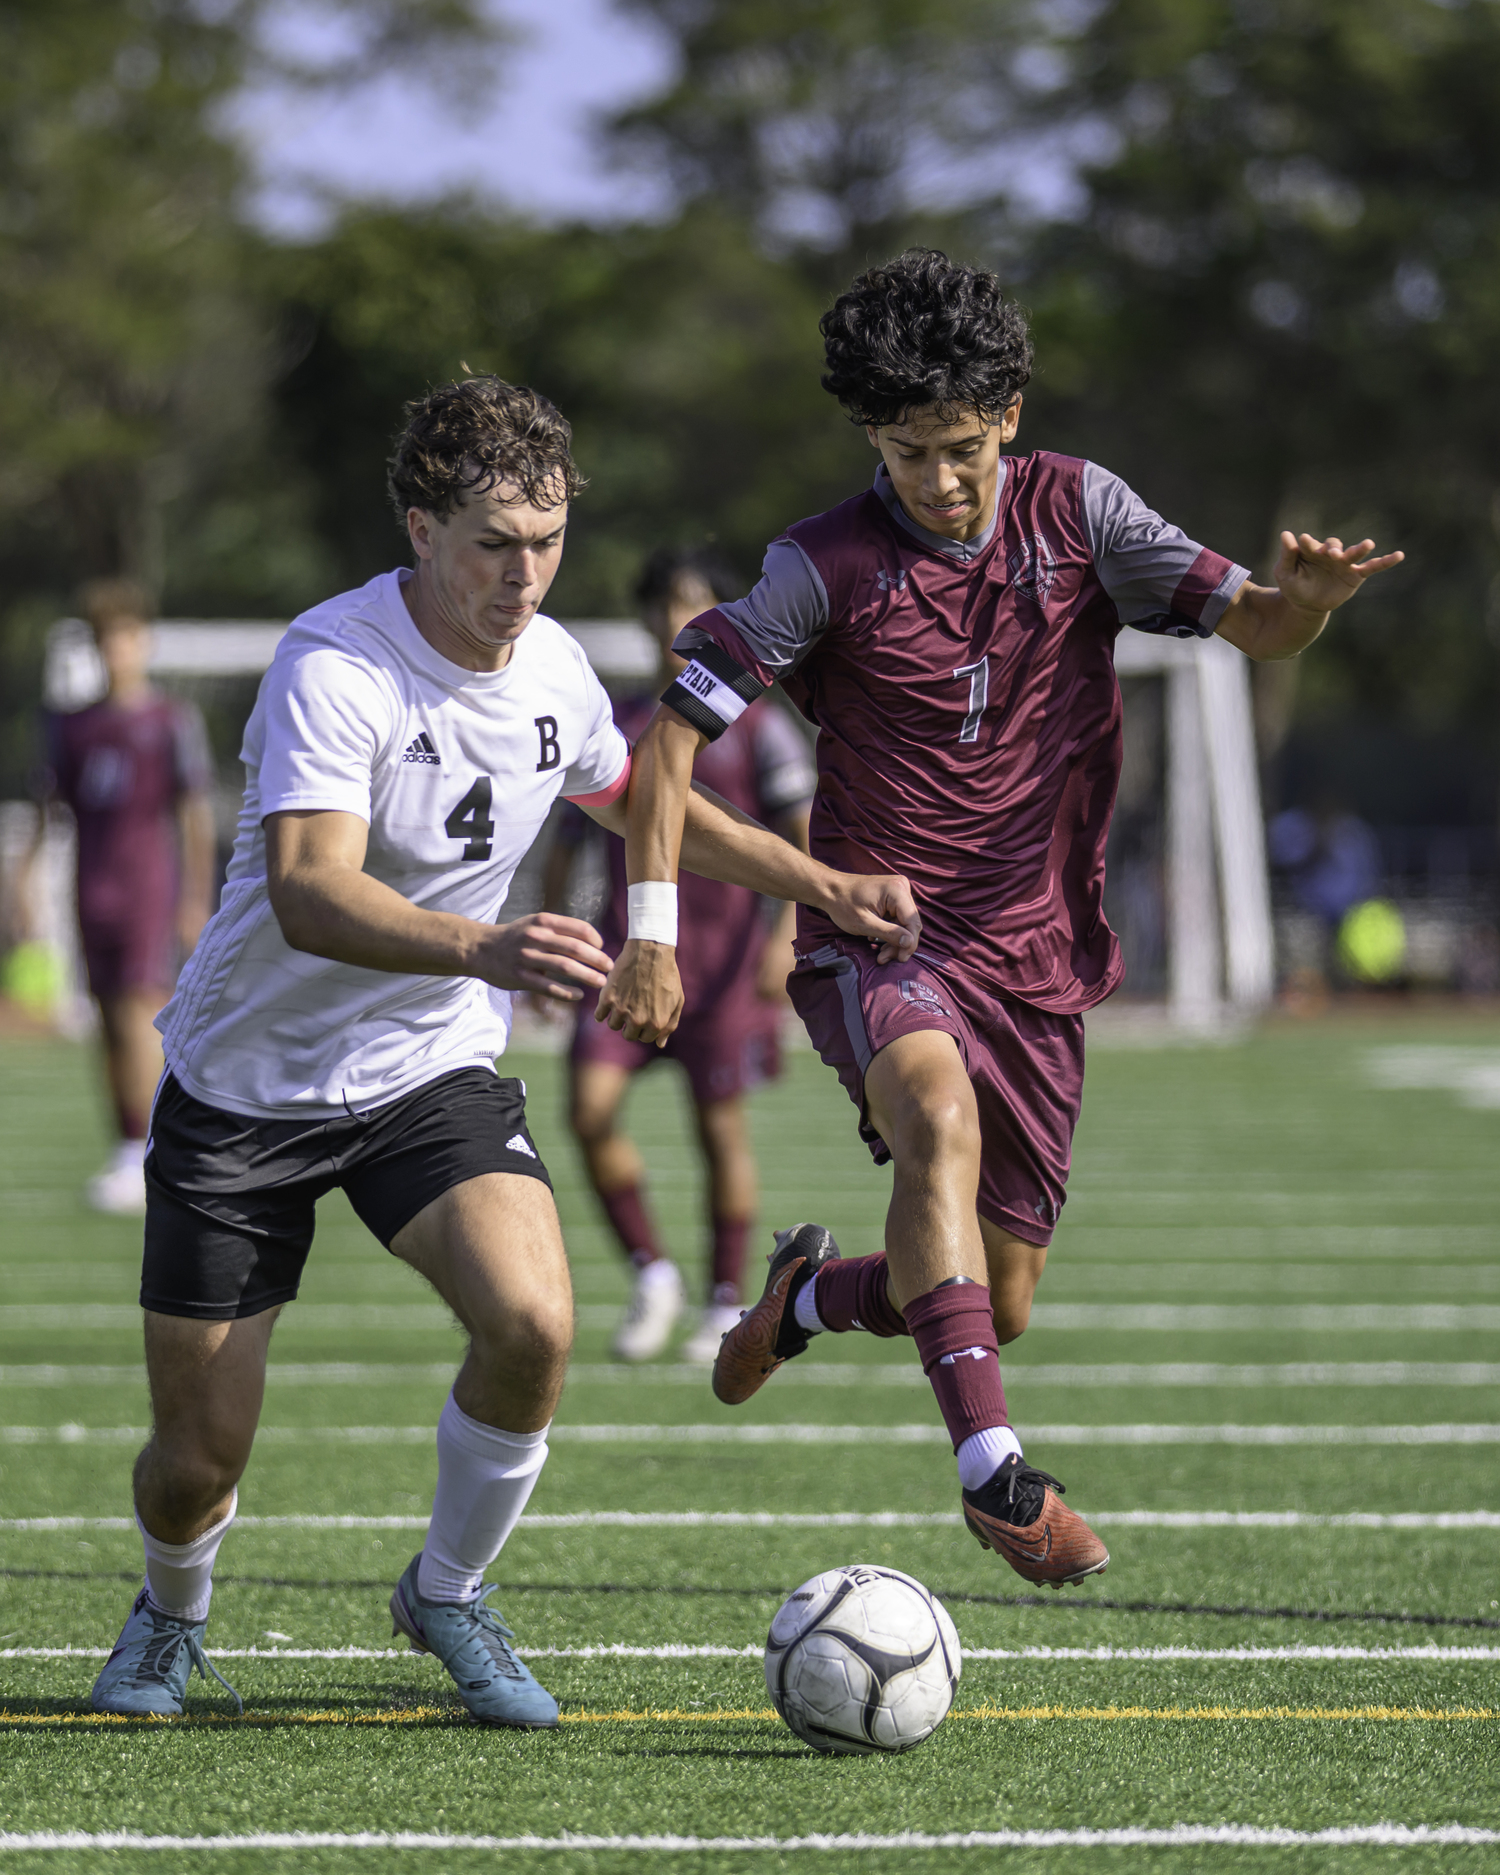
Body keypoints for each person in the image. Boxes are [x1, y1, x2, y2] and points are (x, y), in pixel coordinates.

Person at [87, 375, 919, 1724]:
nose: (522, 574)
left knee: (534, 1321)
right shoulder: (334, 664)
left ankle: (449, 1589)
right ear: (420, 528)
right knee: (199, 1453)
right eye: (491, 541)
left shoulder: (553, 669)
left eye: (546, 541)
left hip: (425, 1070)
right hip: (245, 1091)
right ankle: (172, 1615)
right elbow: (310, 887)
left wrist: (819, 883)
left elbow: (647, 797)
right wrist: (488, 946)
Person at [599, 249, 1403, 1588]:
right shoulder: (818, 564)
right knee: (939, 1126)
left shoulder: (1083, 512)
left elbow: (1256, 626)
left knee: (998, 1295)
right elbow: (668, 745)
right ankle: (998, 1477)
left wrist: (1304, 610)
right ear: (872, 436)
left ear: (1009, 416)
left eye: (964, 447)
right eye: (911, 453)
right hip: (882, 933)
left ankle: (801, 1297)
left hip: (1041, 953)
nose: (943, 481)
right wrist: (653, 932)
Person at [543, 547, 815, 1364]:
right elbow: (567, 841)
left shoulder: (759, 725)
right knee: (587, 1113)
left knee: (718, 1129)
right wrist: (566, 928)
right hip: (631, 958)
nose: (674, 617)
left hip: (726, 968)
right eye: (662, 603)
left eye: (692, 601)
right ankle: (652, 1272)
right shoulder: (619, 723)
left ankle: (729, 1301)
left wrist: (787, 936)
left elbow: (804, 838)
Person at [29, 580, 216, 1213]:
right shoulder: (71, 725)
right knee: (106, 1017)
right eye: (106, 638)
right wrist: (24, 879)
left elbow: (193, 813)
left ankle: (153, 1147)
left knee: (142, 1012)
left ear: (144, 641)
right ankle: (123, 1147)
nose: (118, 650)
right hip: (90, 885)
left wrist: (195, 896)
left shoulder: (169, 721)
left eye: (127, 636)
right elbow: (48, 809)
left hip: (147, 887)